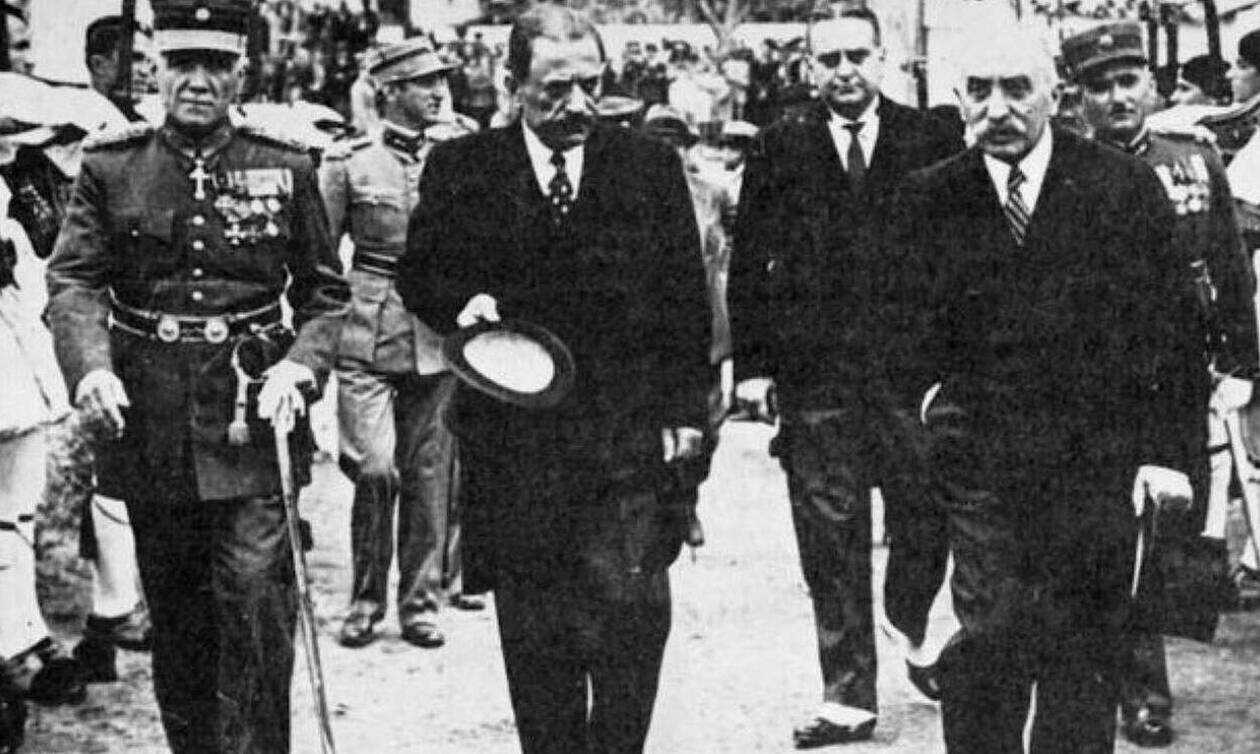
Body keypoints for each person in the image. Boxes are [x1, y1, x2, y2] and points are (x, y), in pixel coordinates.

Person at [874, 24, 1215, 753]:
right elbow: (893, 336)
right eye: (979, 91)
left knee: (1081, 654)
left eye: (1017, 89)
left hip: (1095, 465)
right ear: (959, 98)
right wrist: (929, 416)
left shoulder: (1119, 188)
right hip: (977, 467)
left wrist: (1169, 458)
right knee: (990, 635)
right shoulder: (929, 198)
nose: (997, 108)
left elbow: (1174, 335)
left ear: (1055, 95)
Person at [397, 6, 710, 752]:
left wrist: (686, 414)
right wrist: (462, 306)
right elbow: (421, 272)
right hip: (517, 450)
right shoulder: (464, 169)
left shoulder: (647, 167)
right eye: (554, 90)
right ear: (512, 85)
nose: (577, 105)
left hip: (625, 445)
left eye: (590, 86)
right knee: (538, 645)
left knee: (634, 625)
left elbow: (684, 299)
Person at [43, 1, 349, 751]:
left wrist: (300, 367)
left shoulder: (287, 163)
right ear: (158, 70)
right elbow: (74, 281)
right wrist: (91, 369)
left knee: (255, 607)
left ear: (242, 73)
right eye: (183, 65)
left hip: (254, 419)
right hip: (153, 424)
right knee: (180, 622)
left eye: (216, 65)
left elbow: (325, 295)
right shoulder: (111, 165)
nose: (198, 82)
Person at [728, 7, 962, 747]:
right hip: (817, 378)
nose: (844, 71)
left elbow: (964, 255)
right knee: (829, 538)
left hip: (911, 377)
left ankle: (906, 612)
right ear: (809, 68)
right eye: (828, 59)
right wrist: (754, 369)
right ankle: (848, 695)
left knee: (927, 512)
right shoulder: (779, 146)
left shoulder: (930, 138)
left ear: (881, 58)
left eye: (857, 55)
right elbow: (749, 262)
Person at [1063, 21, 1259, 747]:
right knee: (1103, 529)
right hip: (1088, 378)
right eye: (1100, 86)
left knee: (1165, 528)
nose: (1118, 98)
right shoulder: (1063, 168)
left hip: (1176, 374)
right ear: (1077, 98)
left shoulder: (1192, 160)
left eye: (1129, 81)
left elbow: (1227, 263)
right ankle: (1139, 689)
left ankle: (1136, 670)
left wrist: (1243, 360)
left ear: (1150, 83)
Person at [319, 38, 478, 651]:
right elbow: (320, 258)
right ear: (389, 91)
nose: (438, 92)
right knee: (375, 468)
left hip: (436, 332)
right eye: (422, 83)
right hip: (367, 328)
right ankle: (365, 598)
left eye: (440, 81)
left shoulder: (459, 154)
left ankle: (420, 604)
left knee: (430, 474)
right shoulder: (348, 162)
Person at [68, 13, 159, 688]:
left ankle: (117, 610)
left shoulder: (150, 130)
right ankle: (110, 612)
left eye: (153, 60)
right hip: (95, 323)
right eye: (136, 60)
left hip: (145, 323)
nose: (147, 71)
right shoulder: (78, 129)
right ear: (101, 64)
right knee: (108, 474)